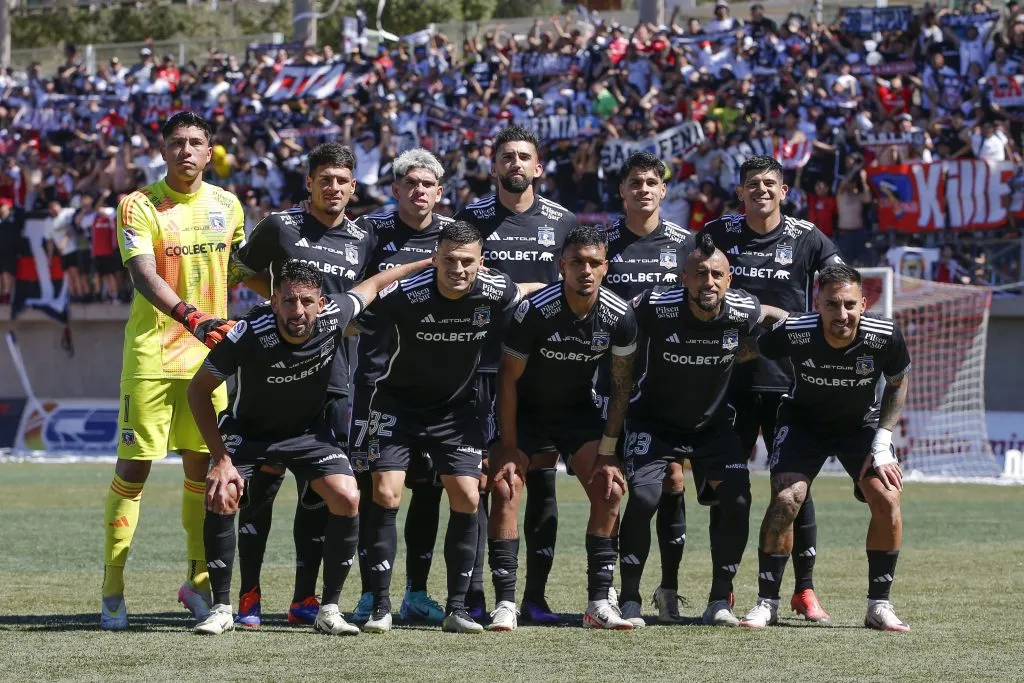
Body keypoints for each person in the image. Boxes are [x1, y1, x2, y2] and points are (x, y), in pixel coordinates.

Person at [186, 257, 429, 636]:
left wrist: (429, 261)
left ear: (320, 302)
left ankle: (328, 609)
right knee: (222, 492)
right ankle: (221, 608)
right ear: (274, 300)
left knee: (347, 496)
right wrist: (221, 460)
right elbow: (198, 390)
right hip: (250, 433)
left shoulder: (335, 315)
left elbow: (377, 282)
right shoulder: (249, 331)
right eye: (287, 301)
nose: (297, 311)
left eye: (306, 301)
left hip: (307, 434)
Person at [101, 111, 246, 630]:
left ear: (210, 153)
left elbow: (243, 271)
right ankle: (113, 588)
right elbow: (142, 275)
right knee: (133, 470)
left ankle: (197, 584)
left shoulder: (228, 206)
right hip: (153, 356)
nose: (186, 151)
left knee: (204, 475)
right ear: (164, 151)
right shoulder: (138, 204)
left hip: (208, 360)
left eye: (196, 143)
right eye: (177, 143)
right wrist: (192, 317)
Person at [228, 142, 375, 628]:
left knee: (318, 494)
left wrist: (344, 323)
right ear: (309, 183)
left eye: (342, 181)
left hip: (334, 383)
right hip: (272, 374)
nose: (333, 188)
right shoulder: (279, 226)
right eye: (324, 179)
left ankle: (304, 599)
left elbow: (370, 295)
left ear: (353, 188)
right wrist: (280, 303)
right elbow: (238, 269)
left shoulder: (363, 239)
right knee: (260, 490)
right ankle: (248, 594)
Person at [354, 221, 528, 634]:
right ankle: (379, 605)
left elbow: (528, 295)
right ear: (435, 260)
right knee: (385, 490)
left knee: (469, 495)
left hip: (456, 409)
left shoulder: (496, 291)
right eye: (448, 260)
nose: (458, 268)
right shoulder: (404, 296)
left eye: (467, 261)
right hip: (397, 405)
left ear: (480, 263)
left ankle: (457, 609)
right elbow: (358, 309)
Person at [700, 154, 842, 625]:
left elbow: (841, 281)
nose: (761, 190)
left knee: (794, 489)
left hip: (787, 383)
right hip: (727, 380)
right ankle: (722, 591)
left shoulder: (807, 237)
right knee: (726, 491)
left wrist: (808, 327)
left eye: (769, 184)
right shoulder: (717, 234)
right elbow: (691, 282)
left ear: (784, 191)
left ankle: (804, 590)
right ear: (739, 193)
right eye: (751, 184)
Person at [621, 233, 787, 628]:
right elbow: (617, 316)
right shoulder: (656, 306)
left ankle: (718, 600)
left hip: (711, 427)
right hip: (653, 422)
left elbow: (778, 318)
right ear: (684, 278)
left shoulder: (741, 309)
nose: (708, 282)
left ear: (729, 280)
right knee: (644, 499)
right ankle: (628, 598)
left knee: (739, 499)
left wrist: (805, 333)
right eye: (699, 274)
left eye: (716, 275)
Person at [738, 265, 912, 632]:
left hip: (860, 428)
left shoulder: (884, 336)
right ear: (817, 304)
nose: (842, 314)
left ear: (863, 304)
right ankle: (766, 602)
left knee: (888, 497)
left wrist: (882, 441)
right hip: (803, 422)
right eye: (832, 304)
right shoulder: (796, 330)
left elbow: (897, 383)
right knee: (787, 499)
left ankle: (878, 606)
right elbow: (751, 349)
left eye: (850, 304)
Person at [456, 124, 580, 623]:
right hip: (481, 366)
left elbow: (575, 286)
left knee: (542, 484)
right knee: (485, 481)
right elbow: (458, 278)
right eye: (506, 156)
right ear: (493, 165)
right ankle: (479, 593)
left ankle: (534, 597)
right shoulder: (471, 218)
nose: (515, 164)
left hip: (543, 369)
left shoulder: (563, 221)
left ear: (538, 167)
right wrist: (525, 289)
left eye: (523, 156)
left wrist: (519, 289)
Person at [487, 226, 638, 632]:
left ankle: (598, 603)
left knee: (611, 489)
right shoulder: (535, 309)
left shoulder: (620, 316)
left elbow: (622, 386)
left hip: (576, 412)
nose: (585, 270)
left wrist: (608, 451)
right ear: (562, 265)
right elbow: (507, 379)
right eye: (577, 262)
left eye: (594, 263)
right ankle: (505, 603)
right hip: (526, 412)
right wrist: (508, 443)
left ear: (606, 267)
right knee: (505, 486)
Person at [348, 149, 453, 625]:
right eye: (410, 183)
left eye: (428, 184)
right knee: (377, 489)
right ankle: (373, 594)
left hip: (436, 386)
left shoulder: (452, 236)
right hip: (376, 383)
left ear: (440, 190)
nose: (419, 191)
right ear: (395, 189)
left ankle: (417, 591)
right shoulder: (372, 231)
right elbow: (351, 291)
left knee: (427, 489)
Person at [602, 151, 695, 624]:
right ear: (622, 190)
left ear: (663, 190)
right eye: (634, 182)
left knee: (675, 481)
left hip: (669, 387)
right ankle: (616, 589)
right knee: (618, 489)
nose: (643, 189)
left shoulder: (686, 244)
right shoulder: (602, 244)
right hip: (609, 384)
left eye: (651, 182)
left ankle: (667, 589)